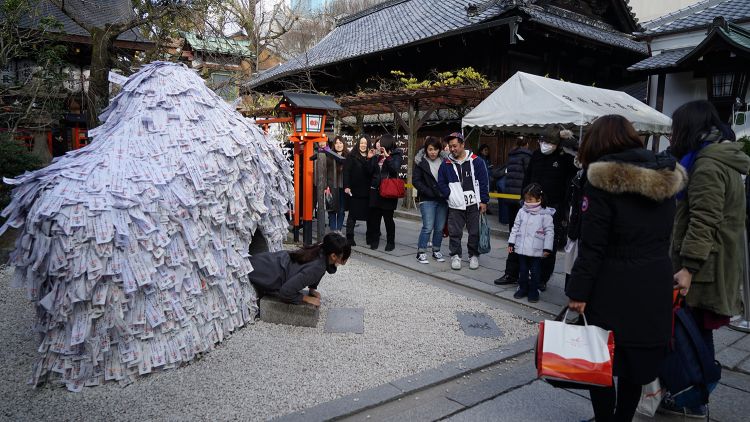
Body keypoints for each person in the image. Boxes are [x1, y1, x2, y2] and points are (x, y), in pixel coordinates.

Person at [566, 115, 687, 422]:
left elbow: (593, 245)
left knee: (601, 357)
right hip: (654, 277)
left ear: (599, 141)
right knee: (636, 360)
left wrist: (578, 291)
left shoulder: (602, 180)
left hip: (613, 281)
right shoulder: (666, 174)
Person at [667, 100, 750, 417]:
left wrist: (687, 267)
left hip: (705, 269)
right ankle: (693, 394)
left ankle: (695, 398)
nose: (673, 135)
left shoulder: (706, 165)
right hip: (716, 264)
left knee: (694, 334)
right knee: (697, 332)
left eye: (676, 129)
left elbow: (704, 220)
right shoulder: (720, 158)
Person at [522, 130, 577, 290]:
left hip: (554, 206)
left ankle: (542, 278)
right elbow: (528, 176)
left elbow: (576, 167)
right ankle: (526, 273)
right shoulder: (536, 155)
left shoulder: (564, 158)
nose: (545, 145)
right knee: (529, 240)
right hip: (532, 204)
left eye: (550, 142)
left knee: (549, 244)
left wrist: (571, 142)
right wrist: (523, 197)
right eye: (543, 141)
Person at [248, 232, 351, 307]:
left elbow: (322, 271)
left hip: (268, 261)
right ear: (333, 256)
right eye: (344, 257)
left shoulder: (321, 248)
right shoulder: (317, 268)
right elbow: (285, 292)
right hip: (264, 271)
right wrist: (306, 298)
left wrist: (312, 289)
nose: (346, 260)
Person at [437, 132, 489, 271]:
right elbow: (441, 183)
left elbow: (484, 182)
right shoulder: (446, 164)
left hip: (474, 203)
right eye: (450, 146)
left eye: (455, 146)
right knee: (454, 232)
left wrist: (484, 200)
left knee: (474, 232)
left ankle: (473, 255)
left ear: (462, 144)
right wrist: (449, 195)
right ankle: (455, 255)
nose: (452, 149)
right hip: (455, 204)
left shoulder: (476, 161)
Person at [495, 136, 533, 285]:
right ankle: (520, 272)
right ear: (527, 144)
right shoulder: (527, 157)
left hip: (511, 199)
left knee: (514, 236)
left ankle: (512, 272)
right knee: (522, 238)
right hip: (523, 200)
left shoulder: (511, 156)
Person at [507, 183, 554, 303]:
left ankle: (534, 290)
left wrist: (547, 248)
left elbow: (549, 232)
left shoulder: (545, 214)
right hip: (522, 247)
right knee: (522, 270)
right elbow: (515, 227)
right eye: (526, 199)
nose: (527, 201)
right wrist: (511, 243)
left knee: (535, 271)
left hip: (536, 249)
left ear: (539, 199)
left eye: (530, 199)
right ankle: (522, 288)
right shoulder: (522, 211)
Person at [412, 136, 448, 264]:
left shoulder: (445, 161)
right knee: (428, 227)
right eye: (430, 149)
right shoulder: (421, 162)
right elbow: (416, 180)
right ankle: (421, 252)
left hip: (443, 199)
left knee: (439, 227)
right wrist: (428, 191)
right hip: (427, 199)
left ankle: (436, 250)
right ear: (426, 150)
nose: (433, 152)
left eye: (435, 149)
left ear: (439, 150)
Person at [366, 135, 403, 251]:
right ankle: (374, 240)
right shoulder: (376, 156)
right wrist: (370, 158)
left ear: (386, 143)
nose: (377, 144)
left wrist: (387, 157)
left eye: (380, 142)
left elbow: (395, 169)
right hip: (375, 191)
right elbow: (368, 172)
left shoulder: (396, 155)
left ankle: (390, 242)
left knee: (388, 219)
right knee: (374, 219)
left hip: (388, 192)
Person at [343, 135, 371, 246]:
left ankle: (370, 237)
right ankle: (349, 237)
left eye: (365, 143)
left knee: (370, 216)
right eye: (361, 143)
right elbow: (346, 172)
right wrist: (347, 186)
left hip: (368, 191)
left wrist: (369, 159)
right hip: (354, 190)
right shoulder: (352, 156)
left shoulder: (371, 156)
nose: (363, 145)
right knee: (352, 215)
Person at [326, 136, 348, 231]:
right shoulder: (329, 156)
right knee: (331, 210)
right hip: (331, 187)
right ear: (334, 145)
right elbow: (325, 172)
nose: (339, 145)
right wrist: (326, 186)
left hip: (344, 187)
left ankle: (338, 231)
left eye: (340, 143)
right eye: (337, 143)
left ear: (344, 144)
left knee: (341, 210)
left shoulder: (348, 156)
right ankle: (333, 232)